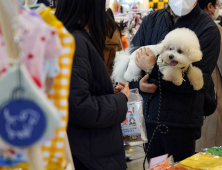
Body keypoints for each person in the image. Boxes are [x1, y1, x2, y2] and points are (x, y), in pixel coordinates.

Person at [129, 0, 220, 162]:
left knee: (180, 165)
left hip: (182, 123)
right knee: (155, 165)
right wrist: (139, 85)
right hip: (150, 119)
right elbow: (132, 58)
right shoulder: (151, 20)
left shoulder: (208, 29)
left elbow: (197, 80)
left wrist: (152, 70)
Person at [55, 1, 130, 170]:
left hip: (84, 148)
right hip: (90, 153)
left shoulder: (68, 37)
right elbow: (80, 106)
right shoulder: (76, 41)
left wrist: (107, 93)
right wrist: (120, 99)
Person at [196, 0, 222, 151]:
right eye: (217, 4)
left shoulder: (181, 26)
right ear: (210, 6)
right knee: (210, 149)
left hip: (187, 102)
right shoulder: (215, 29)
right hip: (211, 96)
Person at [104, 8, 122, 76]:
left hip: (100, 73)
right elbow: (120, 49)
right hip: (113, 72)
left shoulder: (99, 32)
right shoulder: (116, 31)